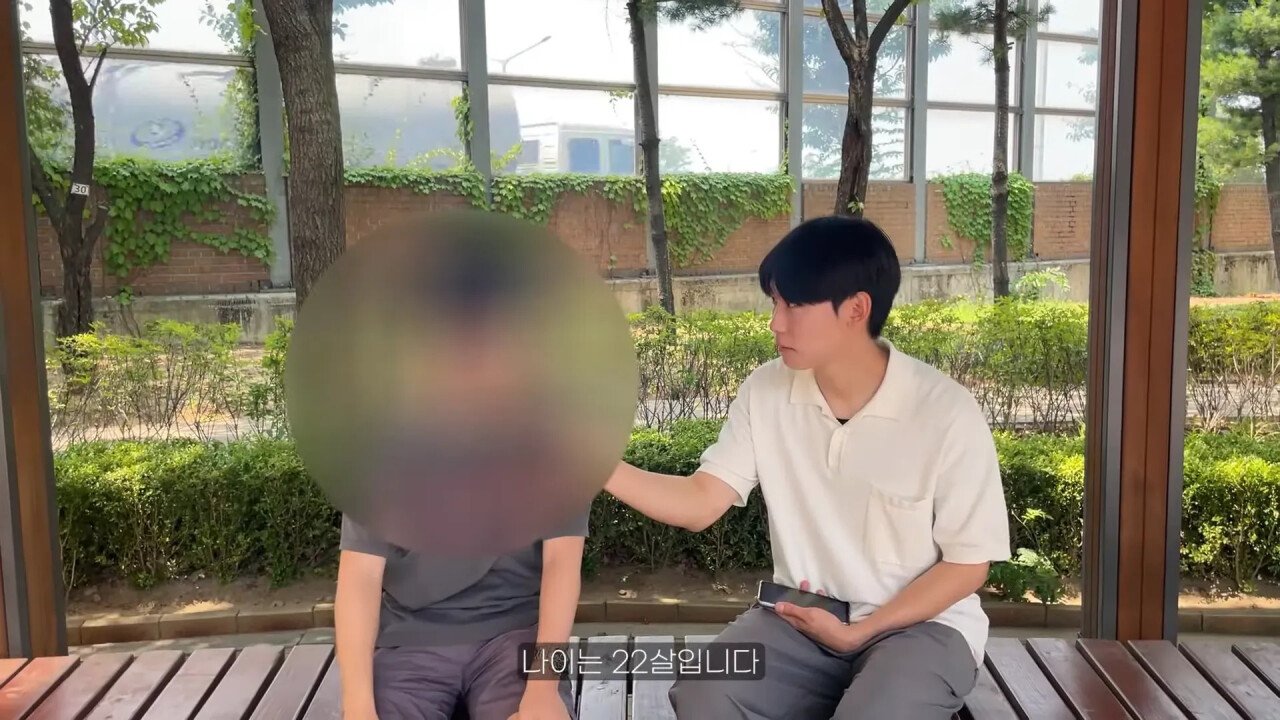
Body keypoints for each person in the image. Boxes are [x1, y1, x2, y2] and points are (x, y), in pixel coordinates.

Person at [603, 215, 1012, 719]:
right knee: (706, 695)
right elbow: (700, 501)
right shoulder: (766, 391)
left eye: (794, 304)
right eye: (775, 302)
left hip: (924, 629)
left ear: (856, 309)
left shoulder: (945, 411)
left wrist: (862, 631)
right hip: (801, 621)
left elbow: (968, 564)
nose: (776, 322)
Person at [335, 512, 587, 720]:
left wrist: (543, 690)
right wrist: (358, 708)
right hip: (408, 640)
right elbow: (361, 577)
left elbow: (561, 564)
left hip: (519, 634)